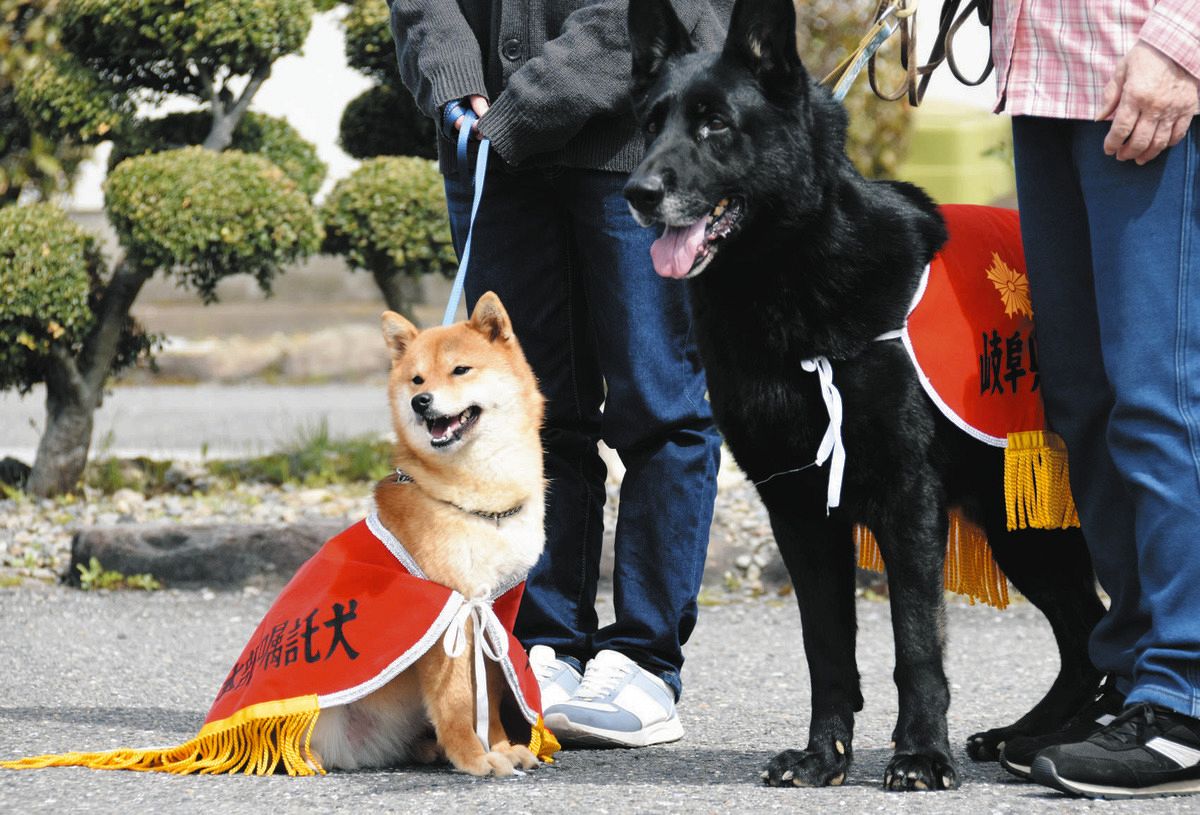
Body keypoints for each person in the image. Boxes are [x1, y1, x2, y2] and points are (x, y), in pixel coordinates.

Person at [386, 1, 728, 747]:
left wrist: (528, 101)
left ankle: (643, 660)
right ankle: (544, 643)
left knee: (658, 404)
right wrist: (448, 72)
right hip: (488, 137)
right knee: (524, 413)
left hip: (636, 135)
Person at [989, 0, 1200, 798]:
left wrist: (1186, 45)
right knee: (1086, 400)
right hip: (1047, 74)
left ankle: (1189, 691)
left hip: (1146, 60)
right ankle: (1140, 671)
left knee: (1161, 395)